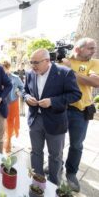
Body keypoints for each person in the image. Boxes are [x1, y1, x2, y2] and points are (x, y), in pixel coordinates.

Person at [23, 49, 81, 185]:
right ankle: (37, 181)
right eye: (31, 62)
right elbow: (25, 90)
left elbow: (76, 94)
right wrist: (27, 97)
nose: (33, 66)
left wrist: (52, 101)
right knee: (36, 152)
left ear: (47, 61)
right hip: (35, 120)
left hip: (55, 121)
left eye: (36, 62)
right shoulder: (31, 73)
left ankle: (54, 184)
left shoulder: (65, 73)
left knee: (55, 156)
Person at [62, 38, 99, 192]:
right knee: (56, 140)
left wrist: (71, 70)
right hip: (62, 108)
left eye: (94, 48)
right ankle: (55, 164)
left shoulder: (93, 63)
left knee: (76, 145)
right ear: (78, 49)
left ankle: (71, 173)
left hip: (80, 111)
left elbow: (94, 82)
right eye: (90, 48)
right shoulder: (64, 60)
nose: (93, 50)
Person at [2, 60, 24, 153]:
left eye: (4, 68)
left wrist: (19, 92)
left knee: (10, 121)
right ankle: (3, 139)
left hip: (12, 102)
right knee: (3, 121)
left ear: (8, 68)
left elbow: (23, 87)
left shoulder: (15, 78)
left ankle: (9, 142)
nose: (3, 71)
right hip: (2, 102)